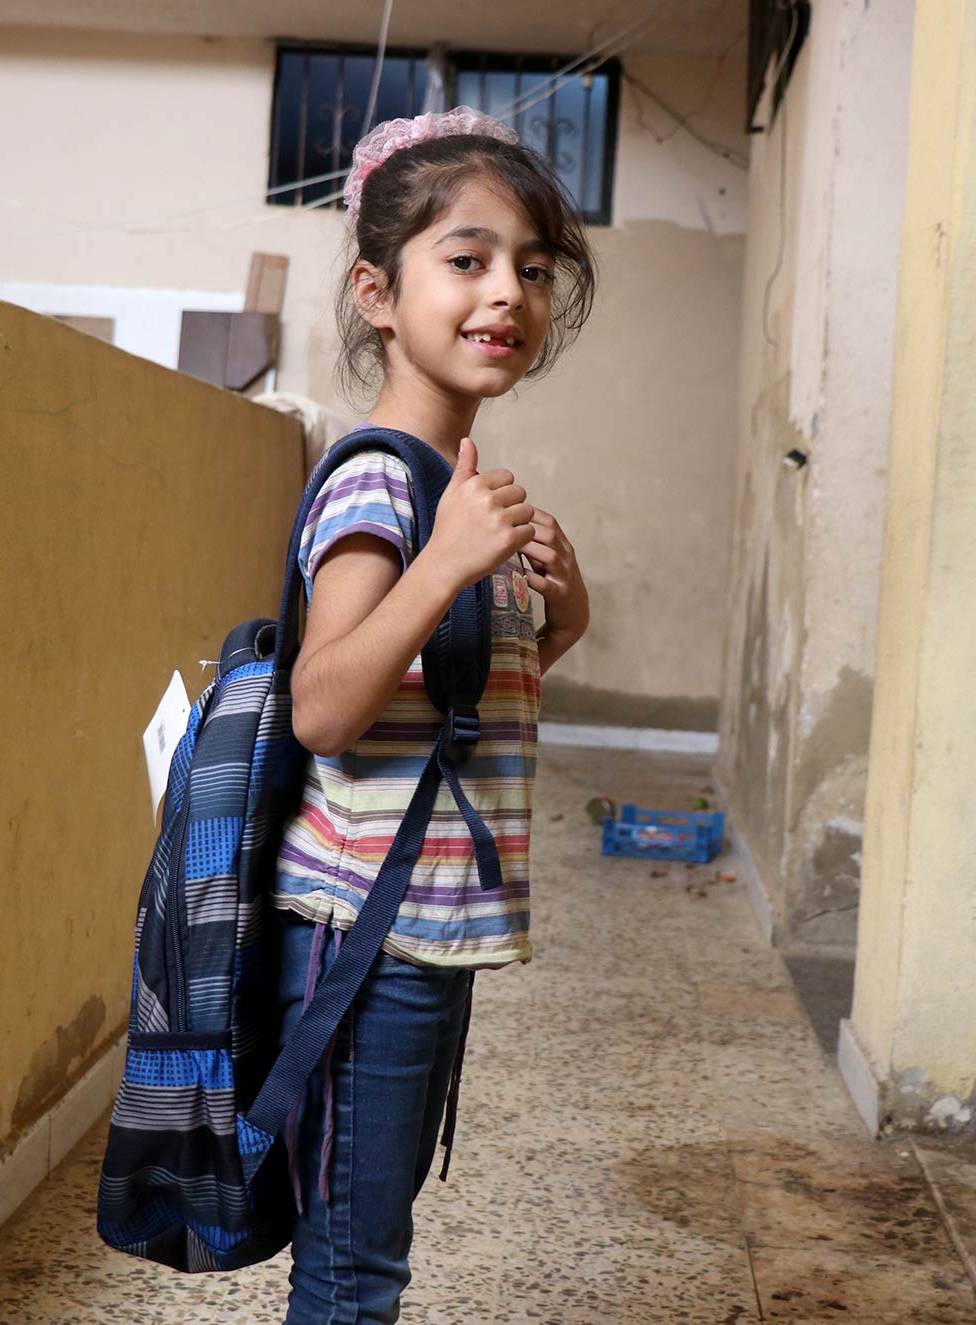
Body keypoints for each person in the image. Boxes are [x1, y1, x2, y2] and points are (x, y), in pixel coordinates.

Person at [271, 106, 597, 1324]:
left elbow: (458, 703)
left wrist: (558, 615)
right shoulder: (377, 479)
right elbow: (324, 703)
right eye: (464, 259)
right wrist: (444, 564)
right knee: (354, 1265)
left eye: (530, 265)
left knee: (366, 1240)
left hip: (421, 932)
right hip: (366, 934)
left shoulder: (456, 484)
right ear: (375, 289)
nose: (504, 291)